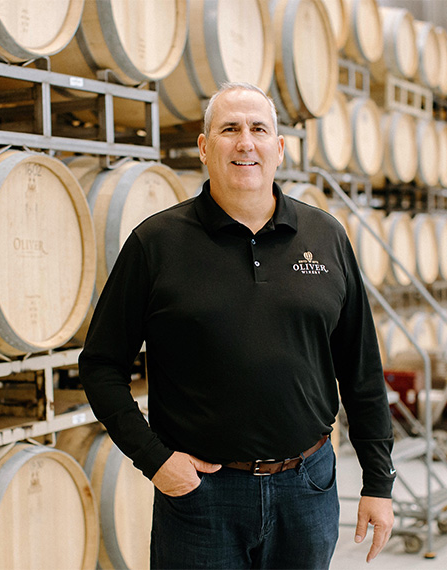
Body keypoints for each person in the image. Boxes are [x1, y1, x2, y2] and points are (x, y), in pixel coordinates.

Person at [79, 82, 395, 569]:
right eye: (229, 129)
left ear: (278, 148)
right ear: (204, 149)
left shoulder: (326, 236)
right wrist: (155, 459)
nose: (245, 142)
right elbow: (101, 365)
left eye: (258, 129)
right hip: (203, 497)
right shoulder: (156, 243)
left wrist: (378, 482)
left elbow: (362, 370)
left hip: (307, 487)